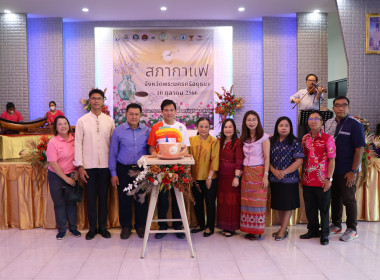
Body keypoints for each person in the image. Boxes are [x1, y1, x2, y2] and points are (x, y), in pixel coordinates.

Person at [75, 89, 115, 240]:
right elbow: (78, 144)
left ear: (103, 101)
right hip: (88, 166)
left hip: (105, 166)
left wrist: (113, 168)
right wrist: (80, 166)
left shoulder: (109, 121)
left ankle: (103, 227)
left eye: (99, 98)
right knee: (90, 198)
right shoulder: (82, 121)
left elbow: (113, 145)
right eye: (93, 98)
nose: (96, 101)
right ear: (89, 101)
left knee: (104, 198)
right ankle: (92, 228)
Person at [147, 99, 190, 240]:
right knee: (163, 198)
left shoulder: (181, 127)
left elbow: (186, 148)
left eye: (172, 110)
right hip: (160, 169)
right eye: (166, 110)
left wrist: (180, 157)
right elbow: (152, 147)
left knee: (178, 197)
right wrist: (154, 153)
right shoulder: (156, 127)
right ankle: (162, 226)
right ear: (161, 112)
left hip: (177, 168)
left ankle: (178, 227)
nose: (169, 112)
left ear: (176, 111)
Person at [325, 96, 365, 242]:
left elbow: (359, 149)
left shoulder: (355, 125)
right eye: (337, 105)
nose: (341, 108)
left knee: (348, 199)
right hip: (333, 169)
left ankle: (352, 229)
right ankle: (336, 225)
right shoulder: (329, 123)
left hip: (347, 170)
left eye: (344, 105)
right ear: (333, 108)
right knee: (335, 198)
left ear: (348, 107)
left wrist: (353, 171)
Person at [109, 103, 150, 239]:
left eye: (136, 114)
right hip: (123, 169)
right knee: (124, 199)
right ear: (126, 114)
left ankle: (140, 226)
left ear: (140, 115)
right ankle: (126, 227)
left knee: (141, 199)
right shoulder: (118, 131)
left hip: (141, 170)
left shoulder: (146, 131)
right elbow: (113, 153)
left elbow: (150, 151)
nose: (134, 116)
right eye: (131, 114)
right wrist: (113, 173)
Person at [300, 110, 336, 245]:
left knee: (324, 208)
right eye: (310, 118)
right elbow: (302, 158)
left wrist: (329, 179)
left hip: (323, 180)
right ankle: (313, 230)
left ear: (322, 122)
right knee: (310, 208)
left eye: (316, 118)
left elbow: (332, 160)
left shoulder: (328, 138)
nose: (313, 121)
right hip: (307, 179)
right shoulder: (305, 138)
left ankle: (324, 233)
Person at [46, 116, 81, 240]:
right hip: (56, 176)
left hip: (72, 174)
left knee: (71, 201)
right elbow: (53, 163)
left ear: (69, 124)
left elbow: (78, 157)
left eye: (65, 123)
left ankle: (73, 228)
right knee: (60, 203)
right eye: (60, 124)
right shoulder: (53, 142)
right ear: (56, 127)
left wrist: (77, 171)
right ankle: (61, 230)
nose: (63, 126)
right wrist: (65, 179)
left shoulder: (74, 139)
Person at [269, 116, 304, 241]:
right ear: (277, 127)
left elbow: (299, 160)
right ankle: (282, 228)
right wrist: (273, 170)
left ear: (290, 128)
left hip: (290, 179)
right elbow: (266, 159)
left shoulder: (295, 142)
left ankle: (283, 229)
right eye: (281, 125)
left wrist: (284, 172)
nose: (283, 128)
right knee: (279, 204)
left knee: (287, 205)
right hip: (274, 179)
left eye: (286, 125)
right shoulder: (271, 141)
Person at [240, 110, 270, 240]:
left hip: (258, 172)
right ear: (245, 122)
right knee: (247, 202)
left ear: (258, 121)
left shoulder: (264, 137)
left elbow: (267, 157)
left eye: (254, 119)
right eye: (249, 120)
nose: (251, 122)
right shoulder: (244, 138)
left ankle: (257, 231)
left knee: (257, 202)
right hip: (246, 173)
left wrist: (266, 175)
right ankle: (249, 229)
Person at [189, 117, 219, 237]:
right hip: (194, 178)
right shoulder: (191, 140)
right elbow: (188, 157)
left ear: (209, 128)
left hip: (209, 178)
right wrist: (189, 176)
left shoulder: (214, 141)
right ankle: (201, 224)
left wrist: (209, 177)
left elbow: (214, 159)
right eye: (201, 126)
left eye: (206, 126)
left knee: (210, 203)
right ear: (197, 127)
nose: (203, 129)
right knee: (197, 203)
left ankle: (210, 227)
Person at [217, 118, 243, 237]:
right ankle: (223, 225)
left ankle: (231, 227)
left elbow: (239, 160)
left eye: (230, 127)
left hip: (232, 176)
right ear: (222, 129)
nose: (228, 129)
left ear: (234, 129)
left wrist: (236, 177)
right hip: (221, 177)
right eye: (225, 127)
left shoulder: (237, 142)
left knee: (232, 202)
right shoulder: (219, 141)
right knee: (223, 201)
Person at [290, 74, 326, 139]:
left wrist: (319, 93)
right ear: (306, 82)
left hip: (314, 117)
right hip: (303, 116)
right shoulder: (301, 92)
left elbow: (316, 102)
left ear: (316, 82)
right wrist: (295, 100)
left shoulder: (318, 92)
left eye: (313, 81)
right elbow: (291, 97)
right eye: (309, 80)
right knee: (301, 136)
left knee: (313, 137)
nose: (311, 82)